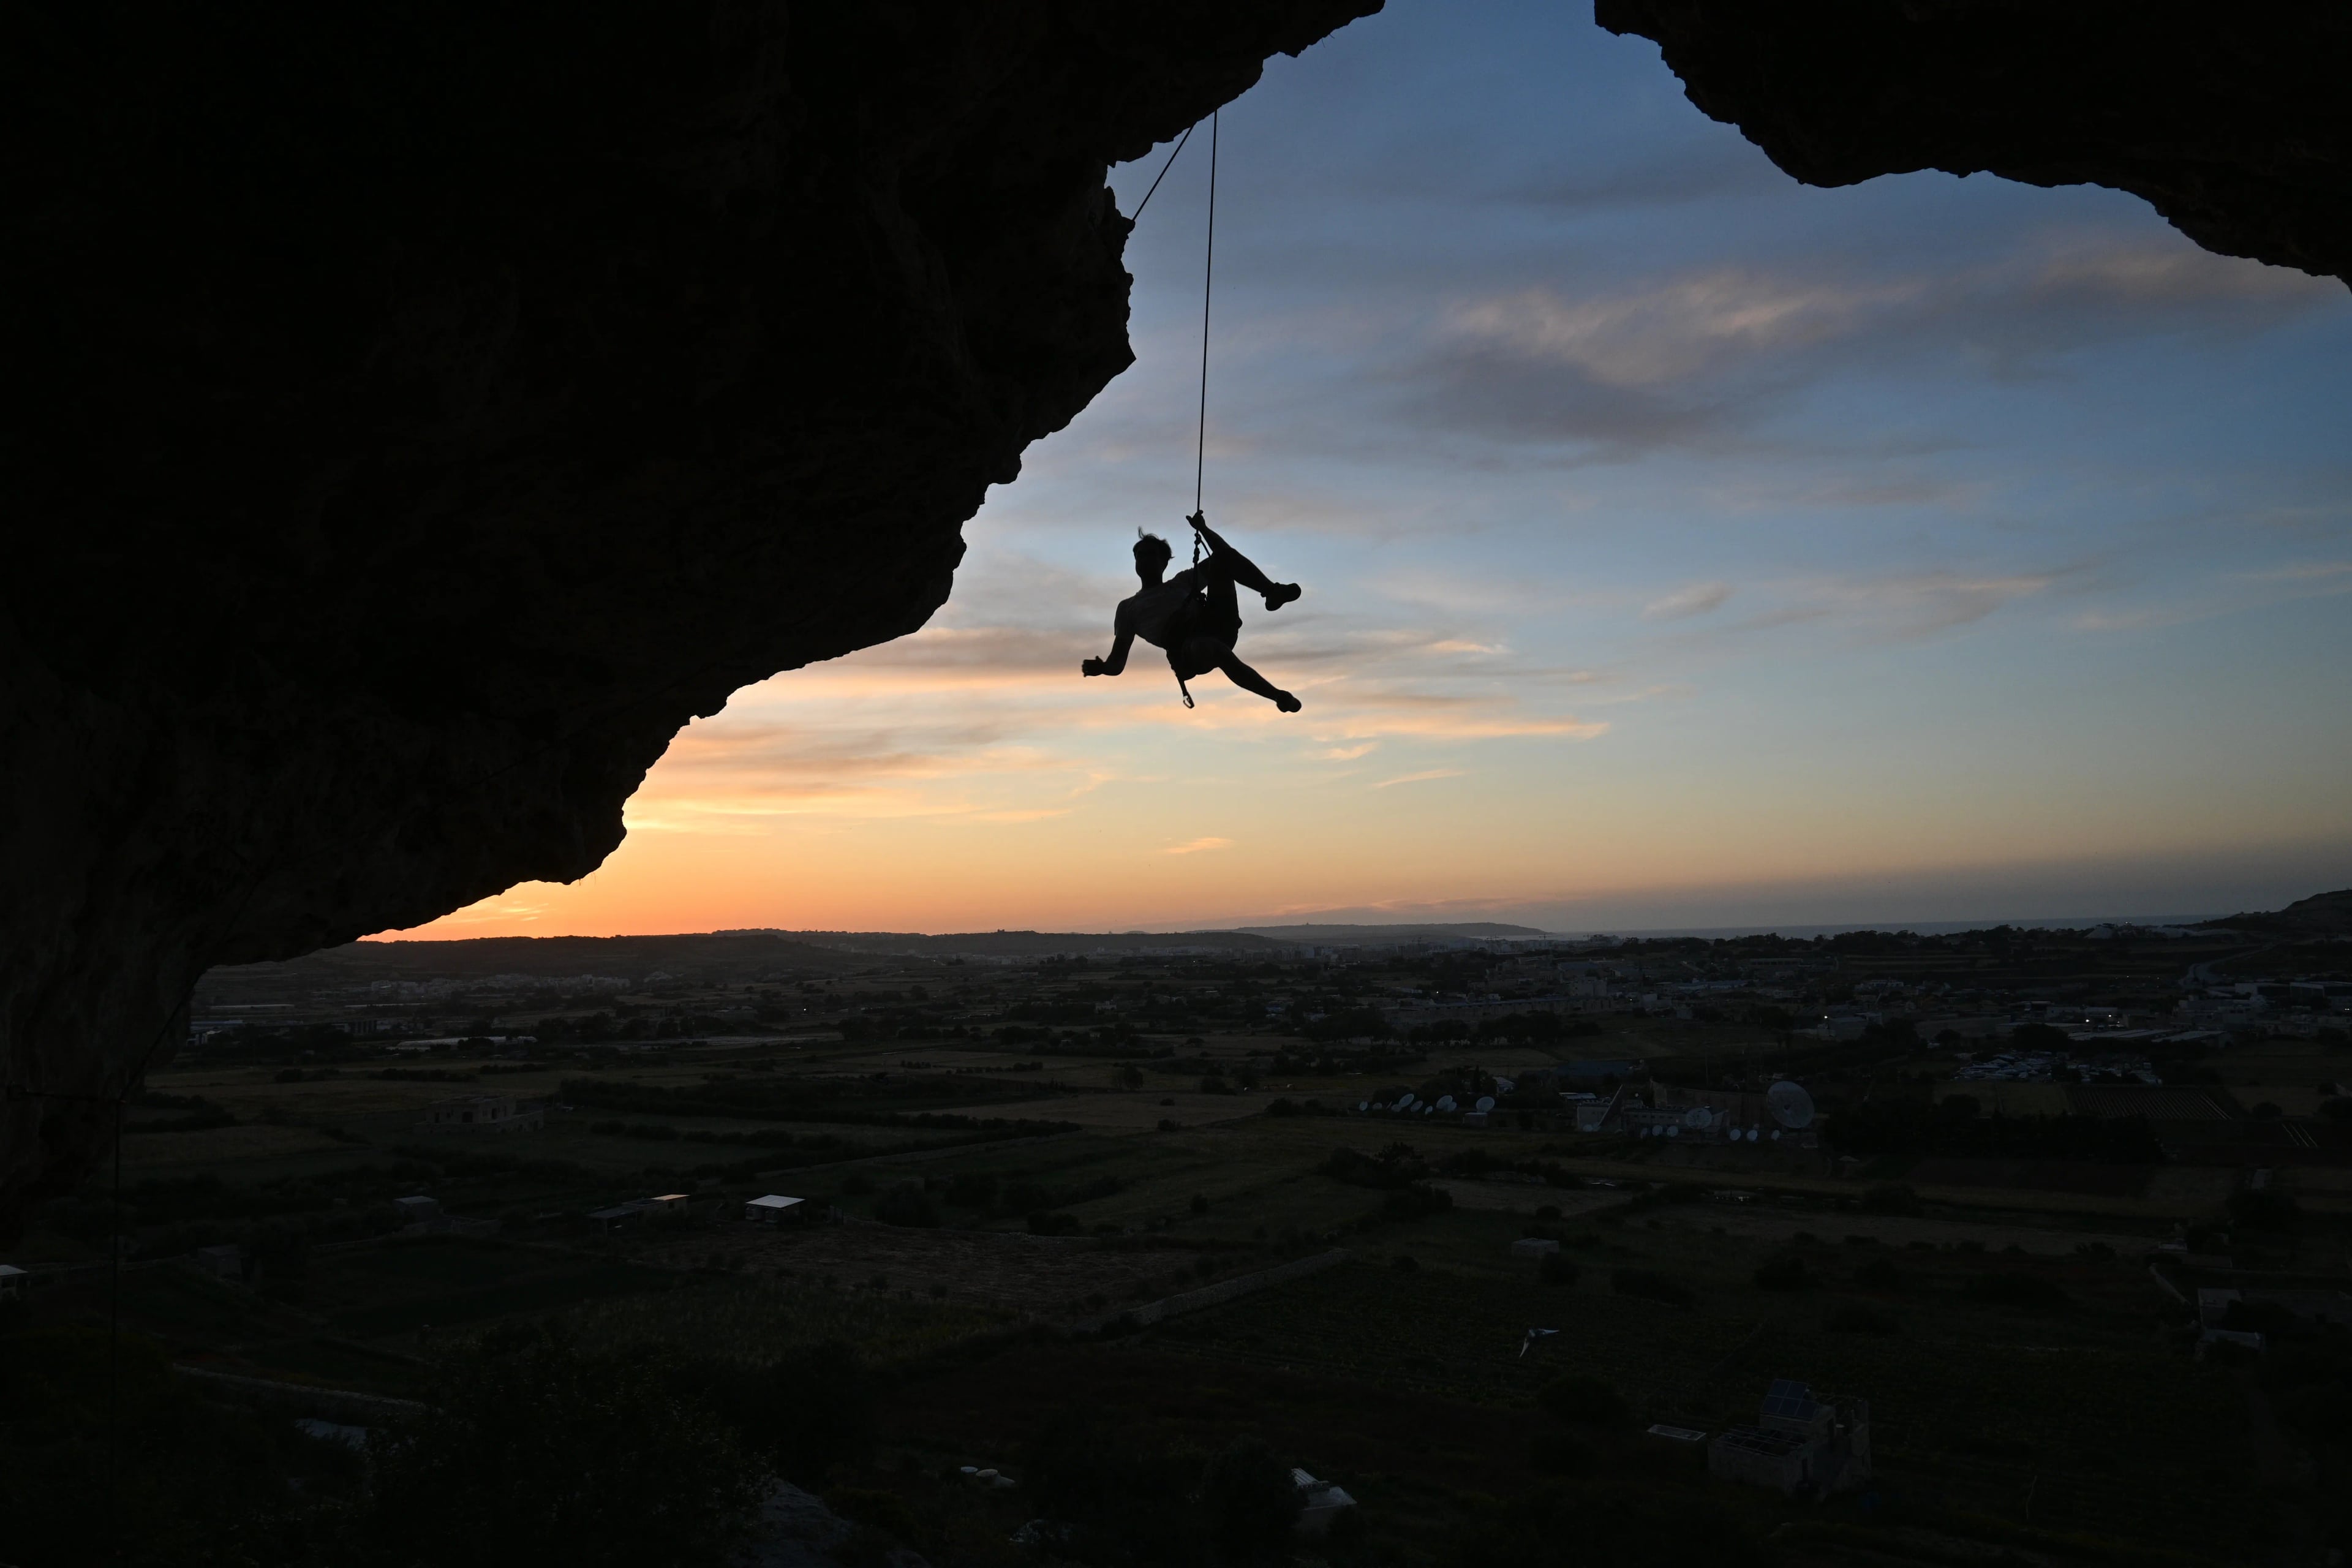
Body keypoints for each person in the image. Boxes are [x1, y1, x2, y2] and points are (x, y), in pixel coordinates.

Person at [1082, 513, 1303, 710]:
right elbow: (1117, 663)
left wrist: (1203, 530)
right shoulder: (1128, 608)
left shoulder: (1182, 582)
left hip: (1217, 625)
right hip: (1187, 650)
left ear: (1164, 562)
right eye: (1140, 555)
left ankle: (1272, 591)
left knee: (1221, 558)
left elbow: (1224, 555)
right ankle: (1278, 696)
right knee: (1211, 648)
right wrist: (1102, 668)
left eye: (1151, 554)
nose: (1144, 559)